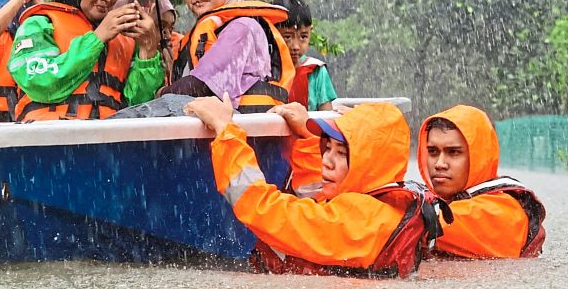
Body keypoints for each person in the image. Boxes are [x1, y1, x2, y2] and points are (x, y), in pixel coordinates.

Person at [184, 97, 437, 278]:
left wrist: (225, 130)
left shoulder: (360, 221)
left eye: (341, 153)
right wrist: (306, 138)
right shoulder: (375, 205)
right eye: (327, 148)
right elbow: (317, 202)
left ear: (368, 163)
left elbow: (262, 207)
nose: (326, 160)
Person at [8, 0, 162, 121]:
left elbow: (139, 106)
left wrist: (148, 51)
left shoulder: (124, 38)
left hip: (109, 141)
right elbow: (39, 83)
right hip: (47, 141)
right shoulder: (39, 24)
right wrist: (97, 38)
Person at [163, 0, 294, 113]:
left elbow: (202, 85)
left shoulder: (243, 28)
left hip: (249, 131)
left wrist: (161, 93)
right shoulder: (201, 35)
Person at [417, 105, 546, 259]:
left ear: (478, 157)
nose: (439, 163)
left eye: (454, 152)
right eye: (432, 152)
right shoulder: (430, 201)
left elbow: (418, 225)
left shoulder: (502, 211)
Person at [270, 0, 338, 110]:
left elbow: (326, 117)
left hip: (309, 128)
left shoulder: (316, 71)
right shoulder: (264, 71)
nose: (296, 46)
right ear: (272, 33)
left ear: (310, 32)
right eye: (287, 37)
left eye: (303, 36)